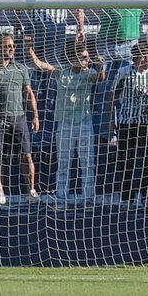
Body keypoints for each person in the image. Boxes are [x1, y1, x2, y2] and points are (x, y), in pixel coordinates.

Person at [27, 38, 104, 206]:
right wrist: (29, 48)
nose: (87, 61)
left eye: (87, 57)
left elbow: (100, 77)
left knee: (87, 163)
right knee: (63, 162)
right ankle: (61, 197)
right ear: (72, 59)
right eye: (84, 58)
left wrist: (100, 66)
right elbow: (39, 64)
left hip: (84, 123)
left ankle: (88, 197)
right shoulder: (61, 72)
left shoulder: (89, 73)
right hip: (65, 123)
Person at [0, 33, 41, 206]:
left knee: (27, 155)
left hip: (19, 117)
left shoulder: (20, 69)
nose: (11, 49)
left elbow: (29, 93)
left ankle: (32, 191)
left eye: (12, 46)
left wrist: (35, 115)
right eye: (7, 46)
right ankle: (0, 191)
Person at [111, 42, 148, 207]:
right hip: (126, 122)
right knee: (126, 160)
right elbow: (113, 96)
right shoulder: (123, 72)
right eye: (143, 56)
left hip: (146, 123)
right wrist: (111, 121)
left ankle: (147, 196)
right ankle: (127, 197)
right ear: (135, 58)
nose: (147, 60)